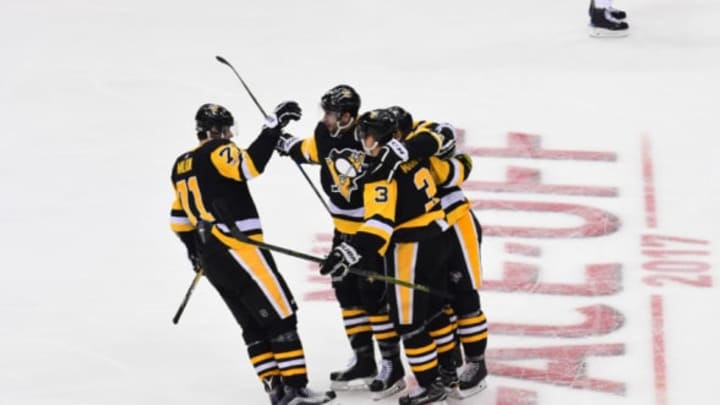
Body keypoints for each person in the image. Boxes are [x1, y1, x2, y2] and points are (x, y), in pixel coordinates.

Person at [169, 102, 335, 405]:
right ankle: (295, 389)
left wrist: (196, 252)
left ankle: (275, 388)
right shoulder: (219, 149)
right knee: (282, 313)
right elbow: (249, 166)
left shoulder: (181, 164)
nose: (230, 135)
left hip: (212, 259)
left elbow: (179, 221)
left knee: (252, 323)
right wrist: (272, 129)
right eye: (228, 129)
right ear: (216, 130)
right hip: (240, 248)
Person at [320, 109, 472, 405]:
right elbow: (446, 141)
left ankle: (430, 386)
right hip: (438, 240)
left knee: (408, 323)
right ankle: (449, 374)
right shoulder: (414, 155)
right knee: (435, 310)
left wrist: (349, 250)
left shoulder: (381, 174)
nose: (363, 141)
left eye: (367, 136)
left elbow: (379, 225)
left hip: (410, 249)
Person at [275, 86, 406, 398]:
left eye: (331, 113)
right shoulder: (324, 133)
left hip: (369, 234)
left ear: (348, 116)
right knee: (346, 292)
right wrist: (282, 140)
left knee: (373, 295)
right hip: (341, 230)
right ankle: (363, 360)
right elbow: (310, 151)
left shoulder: (367, 136)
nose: (326, 118)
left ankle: (392, 365)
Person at [376, 106, 489, 399]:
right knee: (439, 301)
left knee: (464, 295)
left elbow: (450, 143)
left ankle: (477, 362)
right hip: (433, 232)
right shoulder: (395, 152)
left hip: (458, 224)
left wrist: (415, 153)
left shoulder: (423, 134)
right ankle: (448, 365)